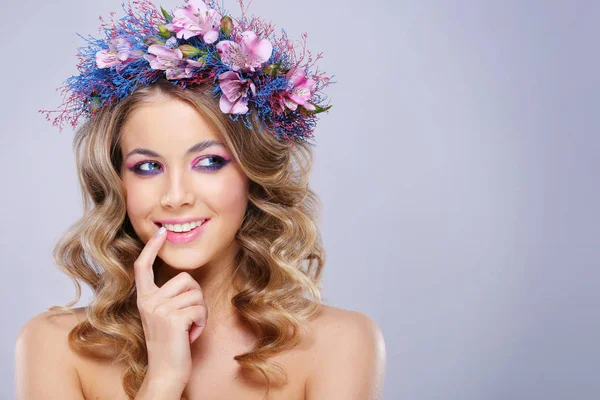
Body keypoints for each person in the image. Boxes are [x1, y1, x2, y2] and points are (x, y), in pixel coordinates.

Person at [15, 1, 386, 399]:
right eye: (147, 167)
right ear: (117, 181)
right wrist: (163, 380)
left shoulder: (339, 343)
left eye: (209, 162)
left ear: (251, 174)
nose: (176, 197)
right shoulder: (55, 346)